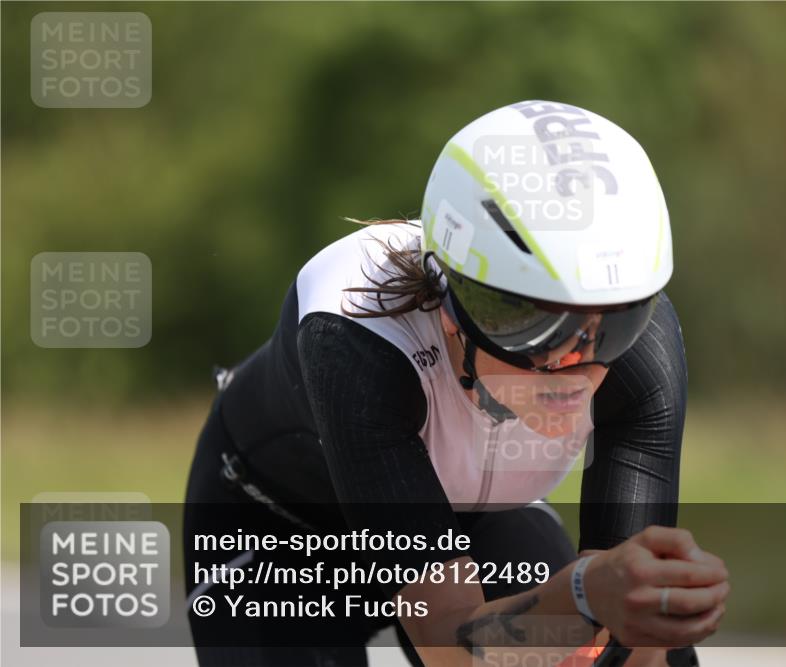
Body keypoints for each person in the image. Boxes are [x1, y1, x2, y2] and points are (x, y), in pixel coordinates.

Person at [183, 100, 728, 667]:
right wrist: (583, 596)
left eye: (613, 323)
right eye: (532, 324)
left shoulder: (645, 350)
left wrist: (626, 621)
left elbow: (632, 645)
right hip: (285, 528)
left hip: (477, 518)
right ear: (451, 302)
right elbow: (449, 644)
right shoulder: (355, 332)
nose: (571, 362)